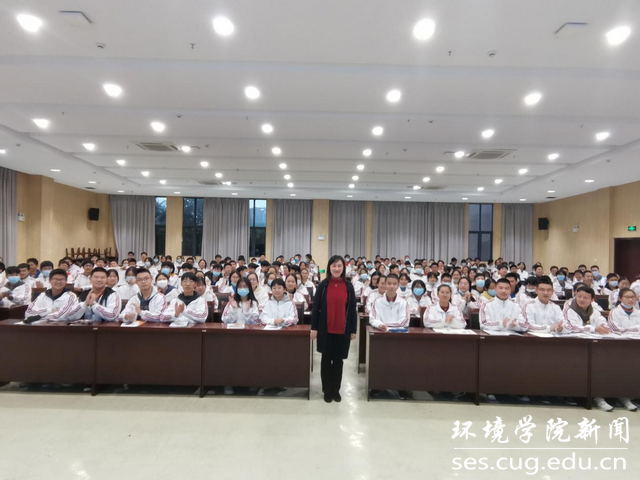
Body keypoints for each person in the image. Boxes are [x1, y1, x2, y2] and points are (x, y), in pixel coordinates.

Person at [311, 255, 358, 403]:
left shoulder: (348, 286)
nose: (336, 269)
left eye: (339, 266)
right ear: (329, 267)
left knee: (338, 361)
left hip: (342, 330)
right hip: (325, 329)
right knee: (326, 360)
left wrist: (353, 330)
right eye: (334, 266)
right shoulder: (323, 285)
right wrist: (314, 328)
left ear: (343, 268)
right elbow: (316, 307)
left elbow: (352, 309)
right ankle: (327, 390)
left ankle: (336, 390)